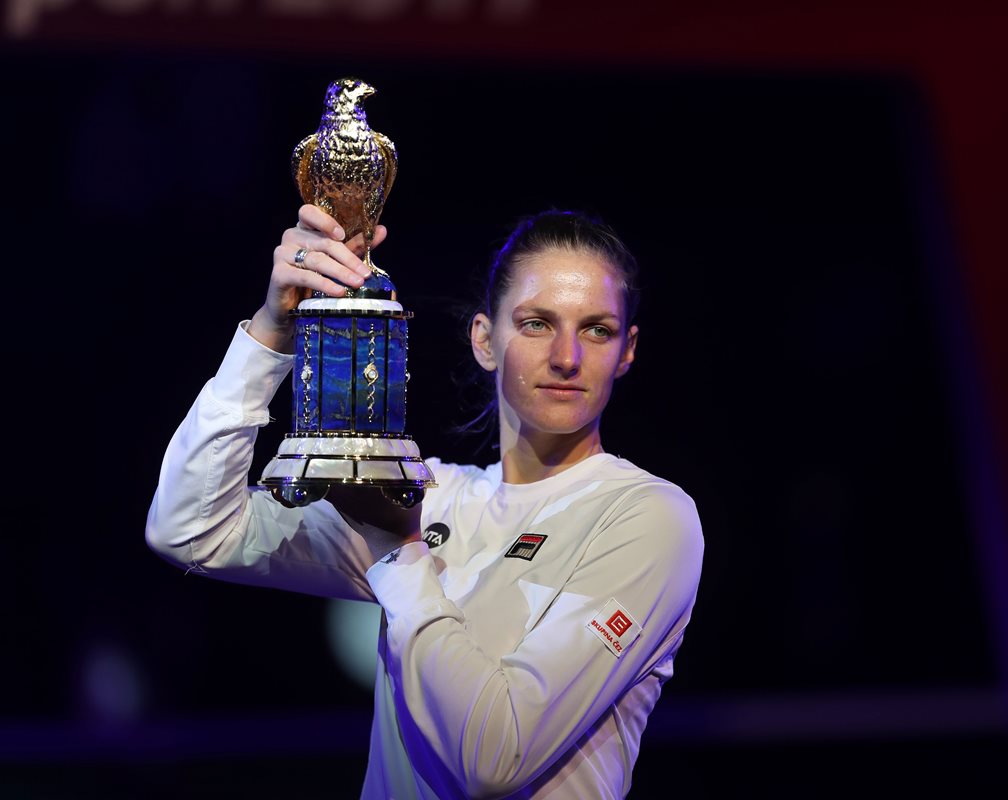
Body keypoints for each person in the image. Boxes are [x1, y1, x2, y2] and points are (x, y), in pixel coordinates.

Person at [145, 204, 705, 799]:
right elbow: (190, 527)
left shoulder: (647, 516)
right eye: (537, 323)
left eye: (597, 329)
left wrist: (398, 550)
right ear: (485, 340)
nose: (568, 356)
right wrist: (271, 333)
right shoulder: (428, 495)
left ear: (627, 350)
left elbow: (497, 757)